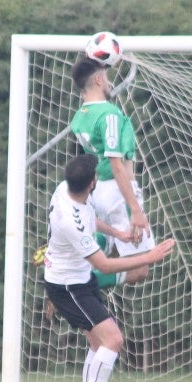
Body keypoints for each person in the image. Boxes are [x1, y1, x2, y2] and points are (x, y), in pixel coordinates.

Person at [44, 154, 177, 382]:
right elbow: (103, 264)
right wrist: (148, 257)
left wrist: (121, 234)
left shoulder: (66, 190)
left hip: (78, 280)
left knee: (97, 344)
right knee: (113, 340)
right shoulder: (71, 220)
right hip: (69, 287)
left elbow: (92, 219)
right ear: (92, 182)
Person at [69, 54, 154, 286]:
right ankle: (74, 284)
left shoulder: (78, 118)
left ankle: (79, 252)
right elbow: (117, 165)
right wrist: (135, 210)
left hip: (100, 192)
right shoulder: (109, 115)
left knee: (111, 250)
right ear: (97, 80)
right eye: (106, 76)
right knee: (139, 271)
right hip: (119, 194)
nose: (109, 82)